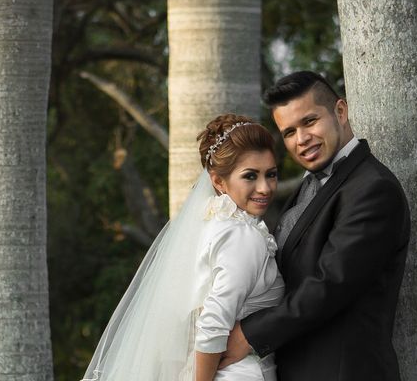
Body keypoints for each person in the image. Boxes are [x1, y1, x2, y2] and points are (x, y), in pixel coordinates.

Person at [221, 71, 411, 380]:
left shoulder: (373, 188)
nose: (301, 139)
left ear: (340, 111)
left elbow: (331, 283)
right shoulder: (312, 184)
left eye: (309, 122)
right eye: (289, 132)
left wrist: (249, 333)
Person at [81, 114, 285, 381]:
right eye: (250, 176)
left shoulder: (210, 226)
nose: (265, 187)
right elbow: (212, 323)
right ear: (218, 182)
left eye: (271, 174)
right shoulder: (242, 236)